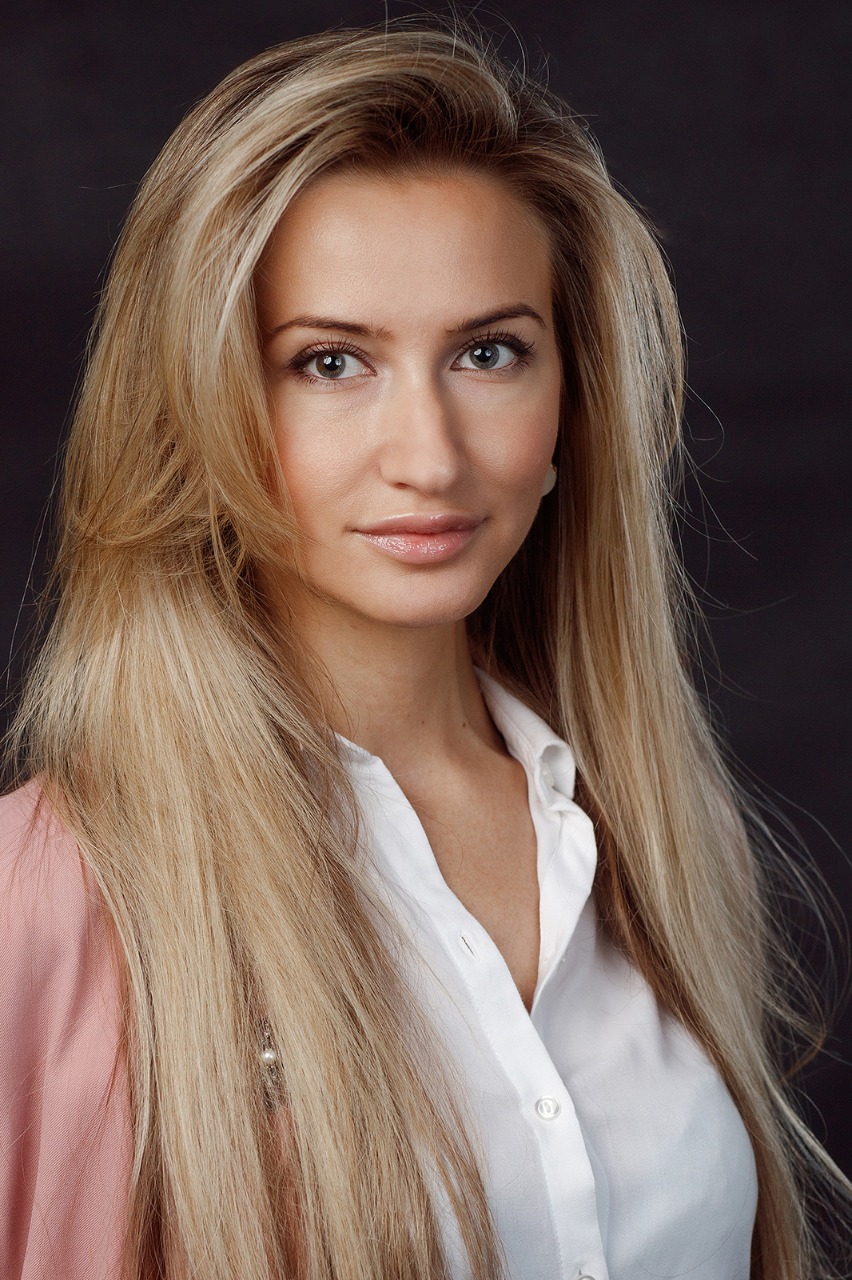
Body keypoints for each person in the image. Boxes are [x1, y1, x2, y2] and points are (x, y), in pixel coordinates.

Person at [0, 21, 848, 1280]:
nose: (431, 456)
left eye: (487, 353)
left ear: (571, 407)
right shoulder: (49, 900)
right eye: (330, 362)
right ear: (197, 406)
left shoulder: (665, 839)